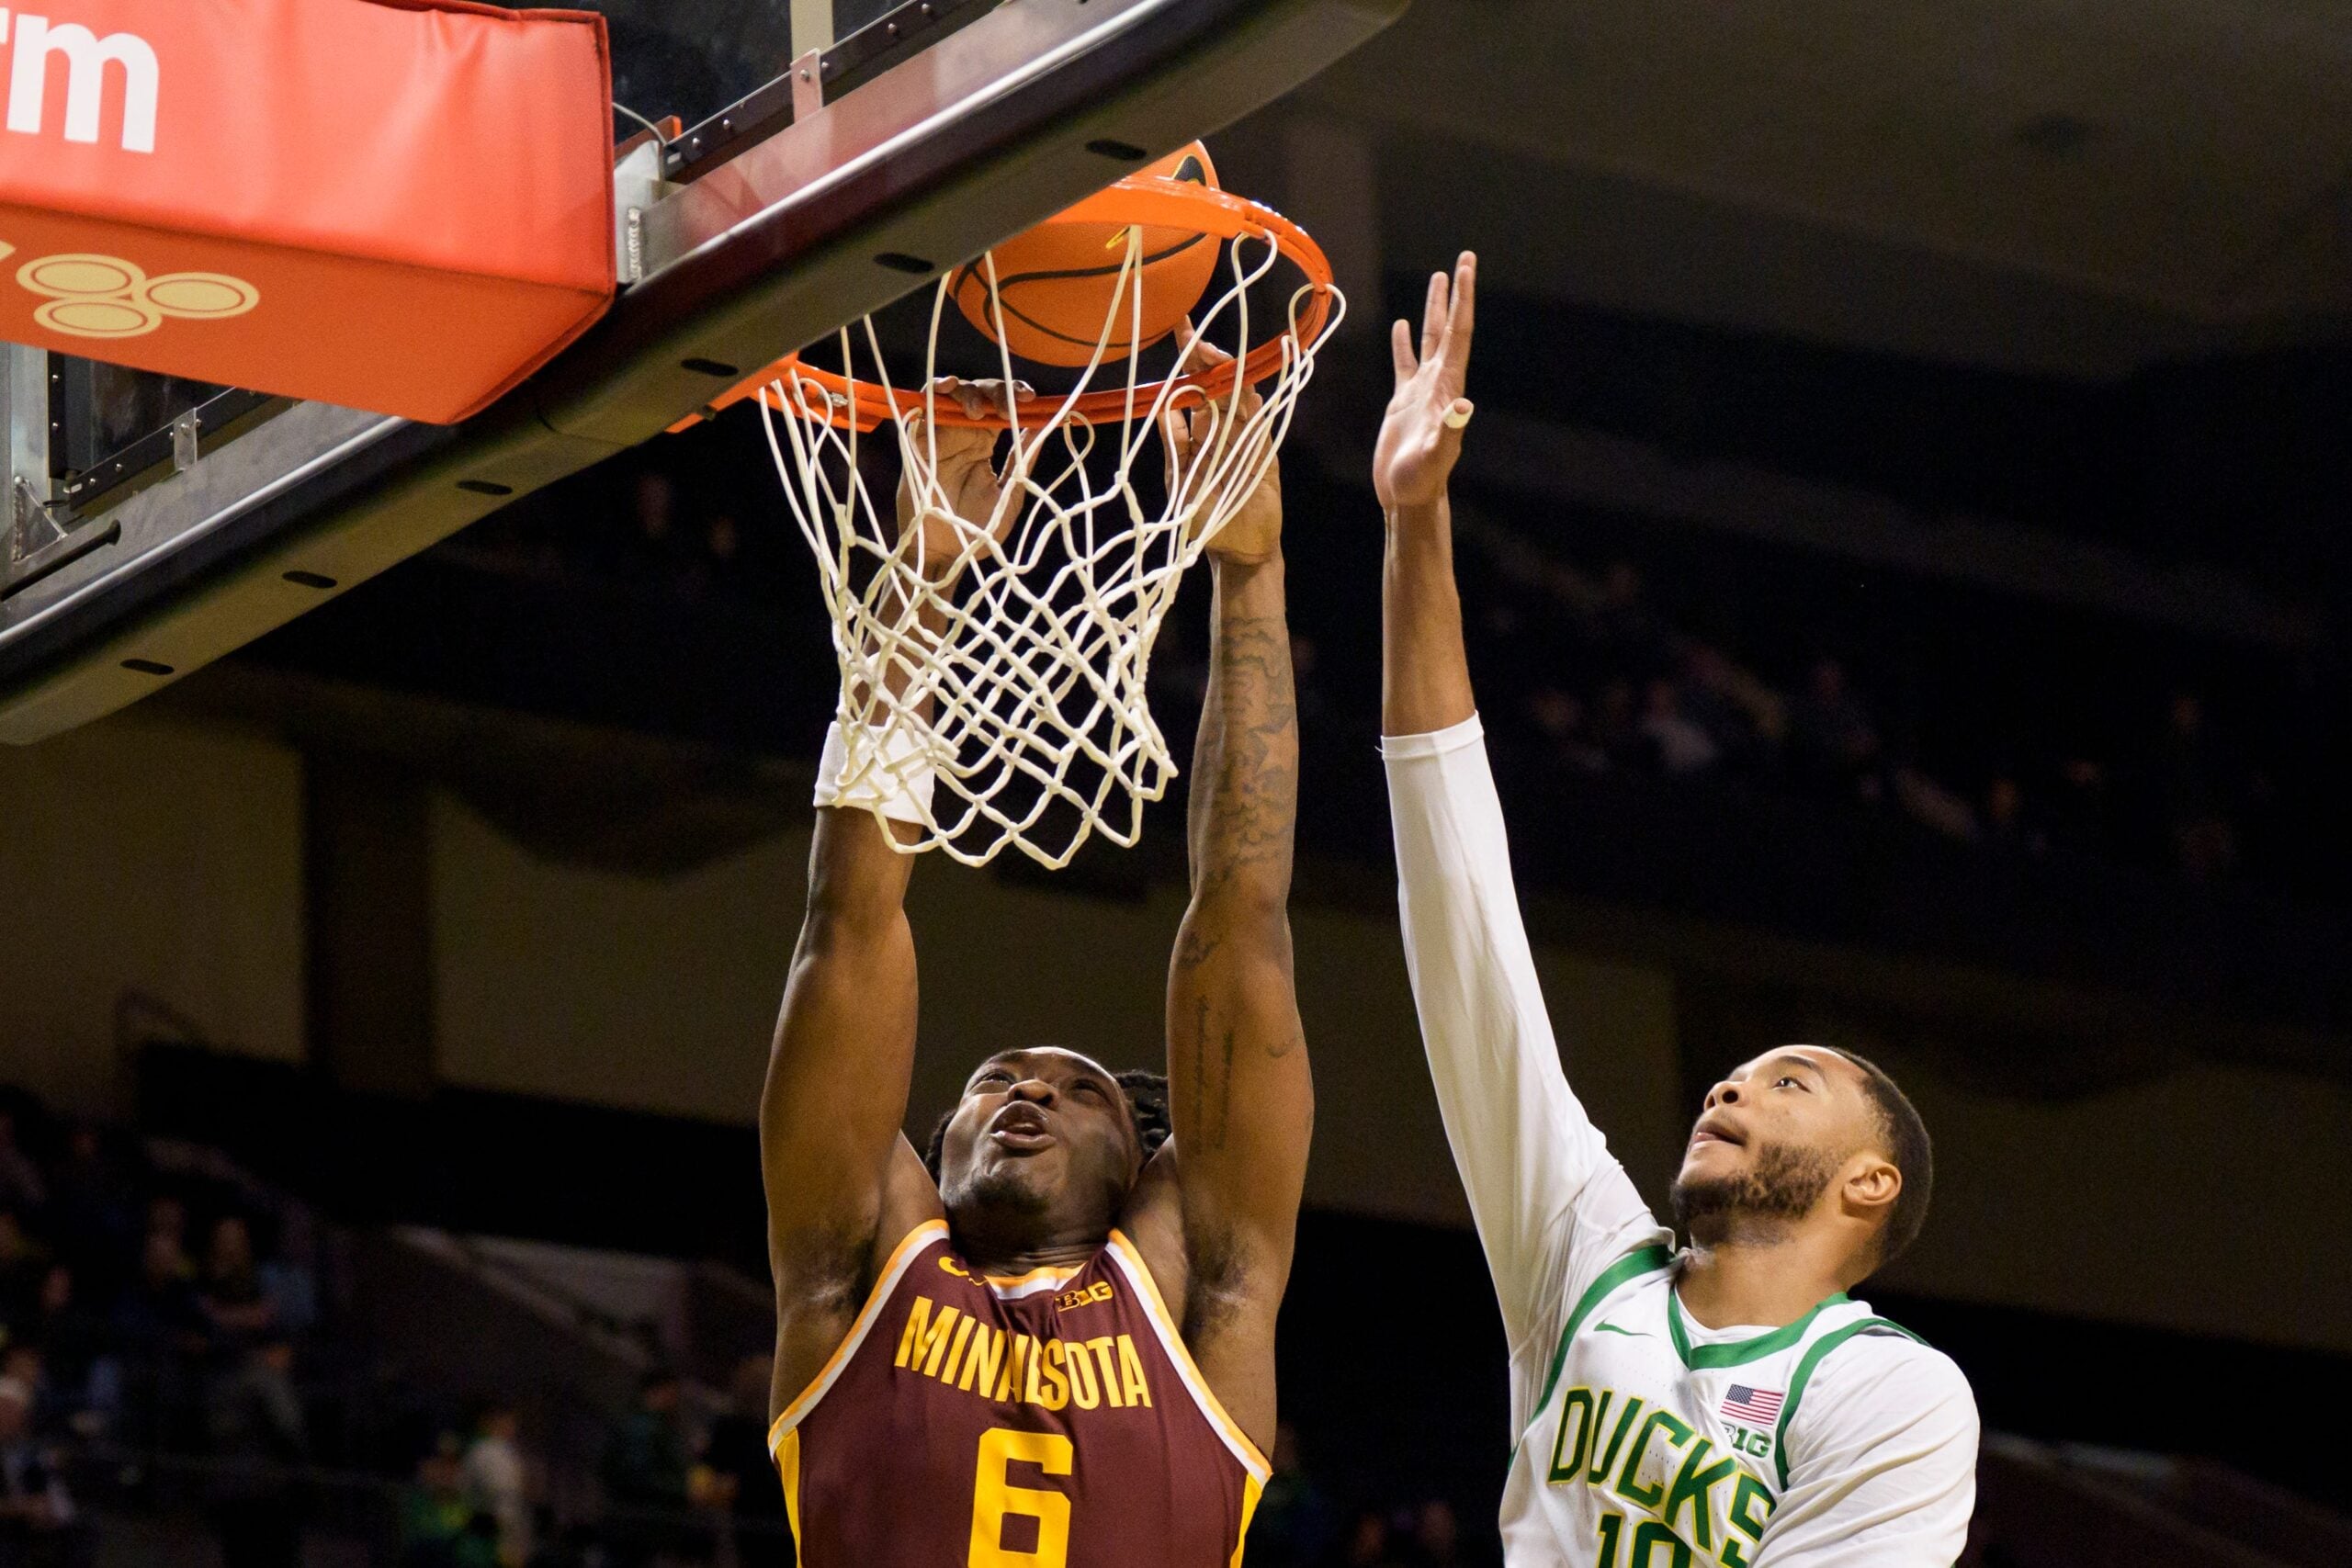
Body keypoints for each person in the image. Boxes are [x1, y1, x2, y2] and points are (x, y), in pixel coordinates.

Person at [1375, 253, 1978, 1564]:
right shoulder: (1583, 1252)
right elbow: (1462, 909)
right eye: (1744, 1072)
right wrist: (1416, 527)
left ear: (1871, 1181)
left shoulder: (1898, 1394)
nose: (1731, 1087)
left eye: (1791, 1080)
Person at [758, 361, 1312, 1563]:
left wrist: (1251, 573)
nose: (1026, 1095)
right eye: (1000, 1081)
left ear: (1139, 1168)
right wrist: (922, 581)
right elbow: (848, 925)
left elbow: (1241, 923)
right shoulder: (857, 1276)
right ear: (935, 1145)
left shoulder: (1201, 1297)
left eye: (1076, 1093)